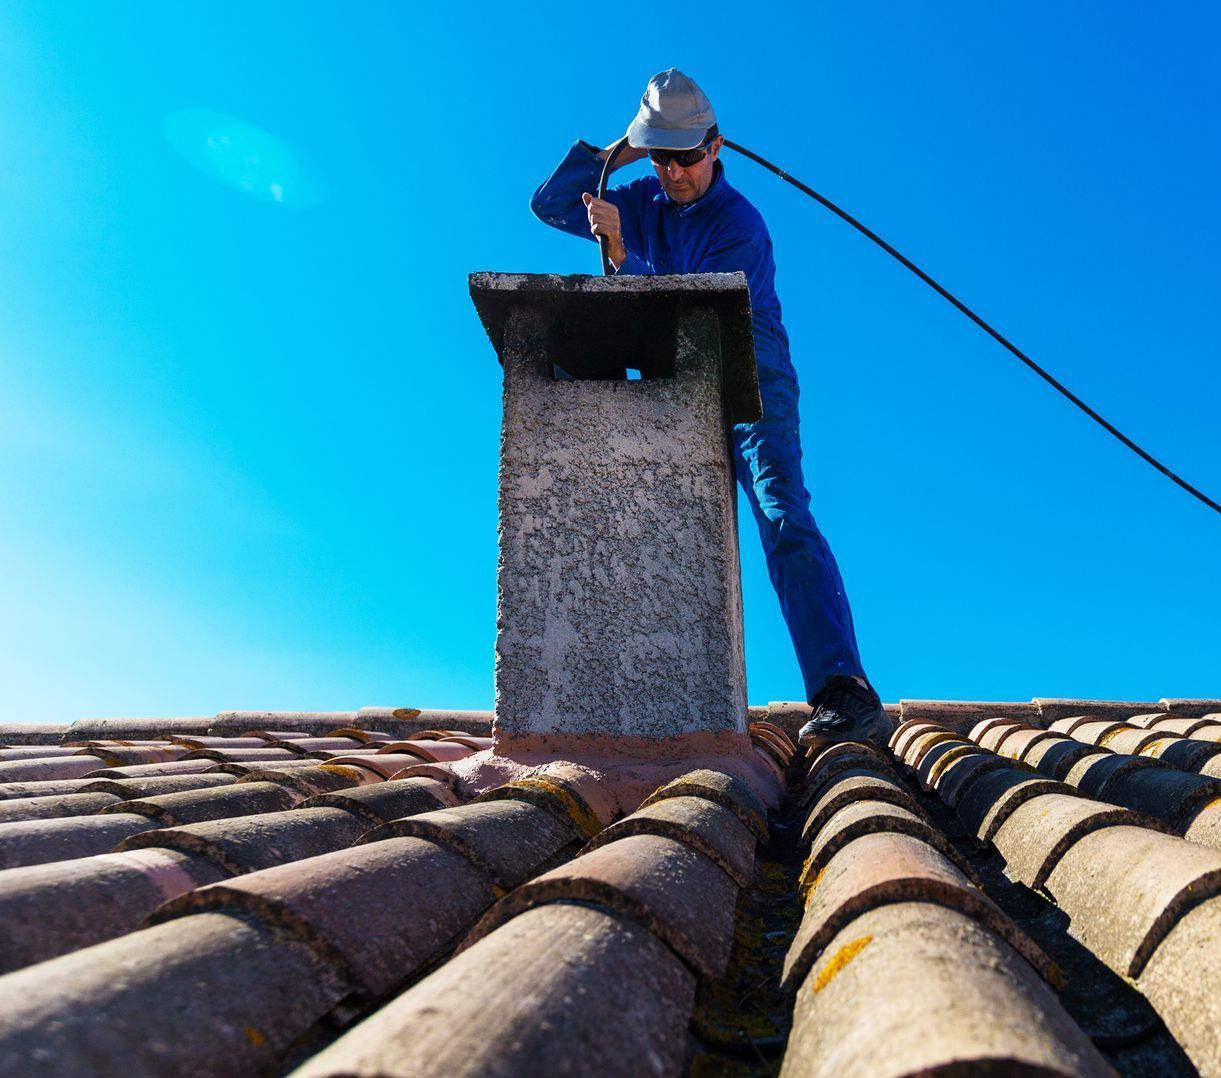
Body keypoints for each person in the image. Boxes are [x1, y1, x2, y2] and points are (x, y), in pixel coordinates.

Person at [530, 69, 885, 746]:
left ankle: (844, 689)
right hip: (679, 378)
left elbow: (694, 306)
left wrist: (620, 252)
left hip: (749, 375)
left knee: (780, 512)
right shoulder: (642, 195)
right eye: (661, 157)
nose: (674, 172)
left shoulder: (738, 223)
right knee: (651, 516)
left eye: (685, 156)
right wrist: (620, 153)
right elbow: (550, 204)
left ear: (715, 146)